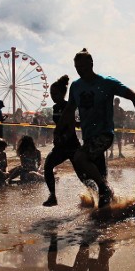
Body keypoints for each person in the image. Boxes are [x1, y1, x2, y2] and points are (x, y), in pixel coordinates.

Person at [54, 48, 135, 208]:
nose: (80, 71)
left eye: (83, 67)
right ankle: (118, 207)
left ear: (91, 64)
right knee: (95, 177)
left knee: (80, 157)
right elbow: (69, 109)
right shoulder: (76, 86)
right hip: (88, 137)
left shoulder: (107, 83)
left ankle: (105, 189)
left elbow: (133, 96)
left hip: (104, 135)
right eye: (77, 68)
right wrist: (58, 129)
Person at [42, 75, 80, 206]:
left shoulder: (67, 106)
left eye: (55, 93)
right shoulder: (55, 108)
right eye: (51, 93)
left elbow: (70, 126)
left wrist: (63, 137)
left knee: (82, 174)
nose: (53, 96)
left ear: (63, 93)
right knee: (48, 166)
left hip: (72, 144)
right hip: (60, 146)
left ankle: (97, 195)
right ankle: (52, 196)